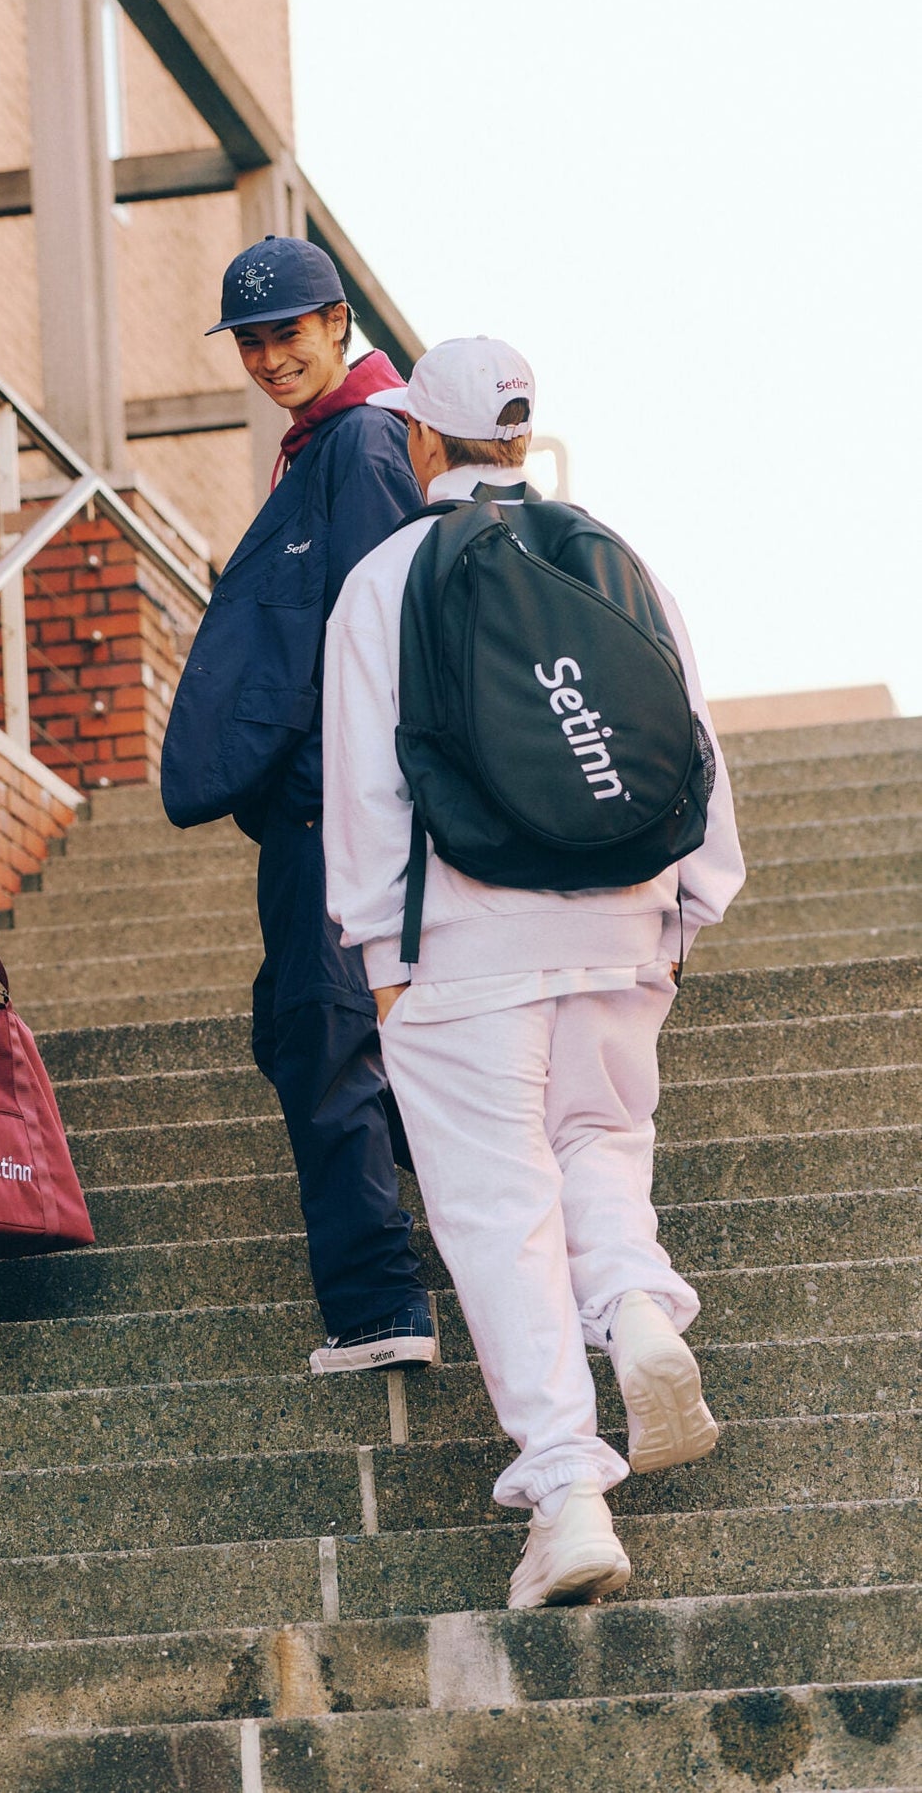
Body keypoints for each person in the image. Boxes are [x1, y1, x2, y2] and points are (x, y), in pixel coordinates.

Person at [322, 336, 746, 1606]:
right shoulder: (611, 554)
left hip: (463, 937)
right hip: (624, 915)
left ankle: (565, 1491)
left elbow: (366, 784)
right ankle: (632, 1308)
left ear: (419, 440)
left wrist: (379, 955)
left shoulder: (385, 579)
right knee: (598, 1139)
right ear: (517, 434)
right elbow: (688, 734)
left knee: (495, 1201)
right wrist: (688, 900)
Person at [161, 235, 433, 1374]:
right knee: (295, 1027)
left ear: (336, 326)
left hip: (341, 807)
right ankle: (491, 1213)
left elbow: (381, 636)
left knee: (321, 1038)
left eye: (288, 335)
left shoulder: (361, 438)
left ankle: (379, 1308)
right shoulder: (329, 439)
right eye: (251, 343)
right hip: (324, 804)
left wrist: (343, 795)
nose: (270, 358)